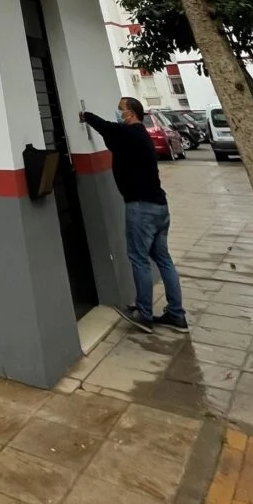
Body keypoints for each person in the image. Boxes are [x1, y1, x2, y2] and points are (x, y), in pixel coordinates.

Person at [79, 97, 187, 332]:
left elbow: (105, 127)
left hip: (141, 208)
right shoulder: (140, 137)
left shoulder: (130, 134)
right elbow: (112, 135)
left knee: (139, 259)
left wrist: (85, 115)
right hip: (159, 206)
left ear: (131, 114)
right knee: (163, 260)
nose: (118, 113)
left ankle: (144, 314)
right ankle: (177, 315)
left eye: (121, 110)